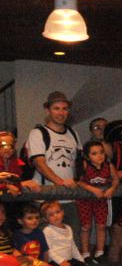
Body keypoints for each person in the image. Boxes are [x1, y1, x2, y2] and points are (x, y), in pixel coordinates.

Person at [24, 91, 83, 245]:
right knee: (47, 246)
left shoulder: (73, 134)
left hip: (69, 198)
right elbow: (40, 163)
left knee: (72, 242)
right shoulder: (37, 133)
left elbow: (79, 163)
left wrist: (79, 183)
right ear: (48, 110)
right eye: (56, 108)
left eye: (64, 108)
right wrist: (60, 182)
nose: (61, 113)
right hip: (46, 198)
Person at [40, 201, 89, 266]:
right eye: (51, 215)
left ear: (63, 212)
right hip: (55, 261)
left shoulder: (68, 228)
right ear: (45, 219)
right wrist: (60, 261)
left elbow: (72, 246)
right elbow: (48, 249)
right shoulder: (48, 230)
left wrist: (81, 260)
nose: (55, 216)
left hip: (69, 259)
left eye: (57, 212)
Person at [76, 139, 117, 261]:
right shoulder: (85, 165)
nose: (99, 156)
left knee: (101, 225)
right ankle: (85, 253)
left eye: (101, 152)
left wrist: (112, 188)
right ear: (87, 156)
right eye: (94, 153)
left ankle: (100, 252)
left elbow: (116, 179)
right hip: (85, 200)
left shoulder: (108, 165)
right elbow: (79, 181)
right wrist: (92, 189)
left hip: (101, 199)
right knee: (86, 226)